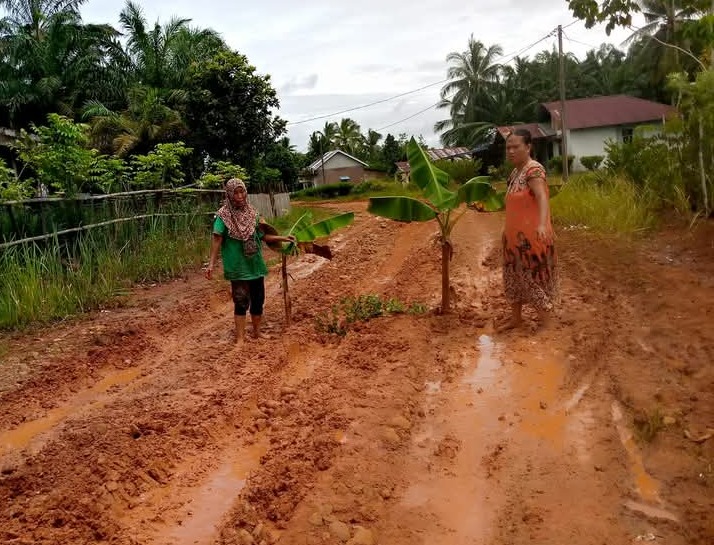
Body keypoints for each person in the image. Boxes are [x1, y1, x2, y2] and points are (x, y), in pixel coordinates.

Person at [205, 178, 295, 344]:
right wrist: (211, 263)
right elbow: (216, 239)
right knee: (240, 301)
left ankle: (257, 332)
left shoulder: (253, 214)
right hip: (238, 267)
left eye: (242, 192)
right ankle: (240, 338)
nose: (240, 196)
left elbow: (263, 236)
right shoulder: (223, 216)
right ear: (229, 194)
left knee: (258, 299)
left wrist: (283, 237)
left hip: (255, 265)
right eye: (236, 192)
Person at [497, 129, 558, 331]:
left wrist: (541, 224)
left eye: (516, 147)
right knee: (513, 279)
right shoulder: (515, 173)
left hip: (531, 240)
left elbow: (541, 197)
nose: (511, 151)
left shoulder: (534, 170)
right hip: (513, 241)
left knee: (532, 280)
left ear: (528, 147)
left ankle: (547, 323)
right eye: (508, 148)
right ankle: (516, 319)